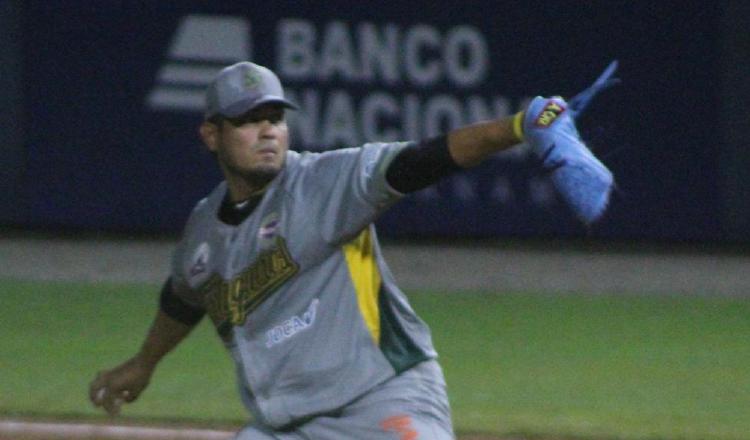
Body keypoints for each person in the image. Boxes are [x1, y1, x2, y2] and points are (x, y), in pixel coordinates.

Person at [89, 61, 614, 439]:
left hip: (383, 401)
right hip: (286, 427)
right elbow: (184, 294)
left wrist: (521, 126)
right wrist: (144, 363)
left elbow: (421, 161)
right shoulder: (203, 230)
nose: (268, 129)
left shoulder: (323, 182)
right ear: (212, 134)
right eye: (249, 119)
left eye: (275, 116)